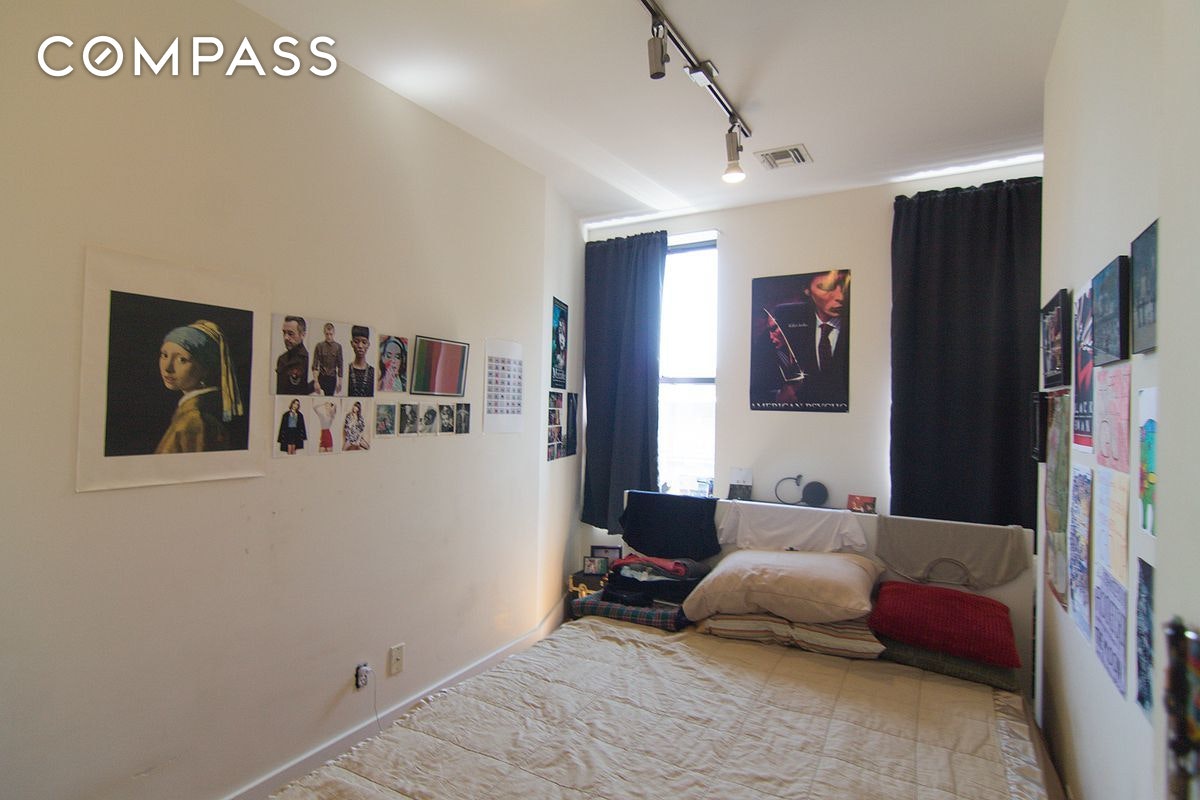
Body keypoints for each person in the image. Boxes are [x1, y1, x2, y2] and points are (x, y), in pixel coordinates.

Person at [751, 269, 850, 410]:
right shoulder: (786, 318)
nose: (840, 296)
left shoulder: (860, 324)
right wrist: (778, 396)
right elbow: (758, 379)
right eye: (827, 287)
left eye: (844, 285)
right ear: (807, 290)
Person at [156, 319, 244, 453]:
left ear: (205, 368)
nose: (167, 368)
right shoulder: (191, 412)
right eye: (164, 355)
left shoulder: (195, 419)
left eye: (182, 359)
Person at [276, 315, 313, 395]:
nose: (286, 338)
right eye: (284, 333)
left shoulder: (308, 359)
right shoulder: (282, 359)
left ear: (302, 335)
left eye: (290, 334)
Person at [311, 322, 343, 397]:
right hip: (321, 377)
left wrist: (340, 382)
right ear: (324, 333)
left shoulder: (338, 347)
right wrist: (316, 382)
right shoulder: (319, 346)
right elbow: (315, 365)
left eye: (331, 334)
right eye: (327, 334)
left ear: (334, 333)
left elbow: (340, 365)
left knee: (329, 399)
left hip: (332, 378)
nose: (329, 336)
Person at [347, 325, 375, 396]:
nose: (360, 346)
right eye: (356, 342)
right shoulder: (346, 370)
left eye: (364, 342)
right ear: (351, 343)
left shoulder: (373, 372)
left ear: (368, 344)